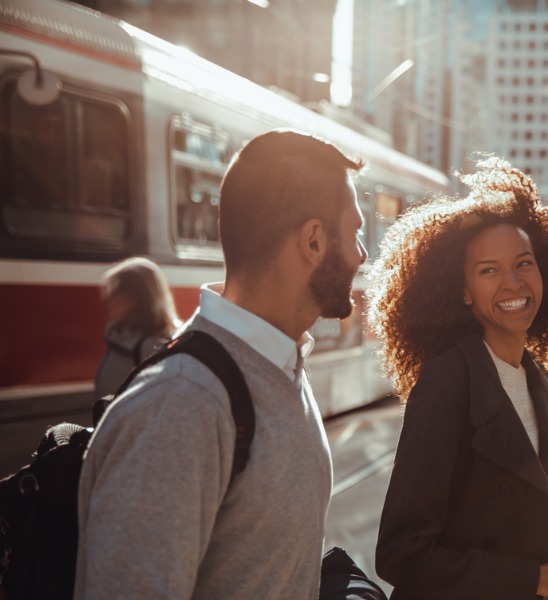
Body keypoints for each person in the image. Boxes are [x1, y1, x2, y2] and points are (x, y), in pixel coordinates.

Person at [74, 129, 368, 599]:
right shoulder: (179, 405)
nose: (361, 254)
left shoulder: (283, 367)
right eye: (355, 231)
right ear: (314, 241)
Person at [368, 157, 548, 600]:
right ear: (464, 290)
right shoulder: (446, 381)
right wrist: (539, 581)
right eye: (489, 270)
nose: (512, 283)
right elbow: (401, 554)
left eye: (524, 263)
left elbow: (540, 517)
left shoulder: (537, 371)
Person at [93, 257, 181, 400]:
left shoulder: (151, 348)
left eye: (118, 291)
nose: (109, 297)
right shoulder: (117, 337)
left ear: (139, 297)